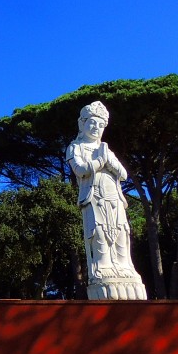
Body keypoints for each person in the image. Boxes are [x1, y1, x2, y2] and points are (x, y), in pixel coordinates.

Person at [66, 101, 146, 300]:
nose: (97, 128)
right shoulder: (75, 147)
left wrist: (108, 160)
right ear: (82, 124)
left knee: (120, 232)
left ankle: (124, 267)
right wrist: (100, 161)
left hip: (115, 198)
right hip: (93, 197)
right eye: (93, 123)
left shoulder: (106, 149)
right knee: (99, 232)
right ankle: (103, 268)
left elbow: (123, 174)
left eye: (101, 125)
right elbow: (80, 170)